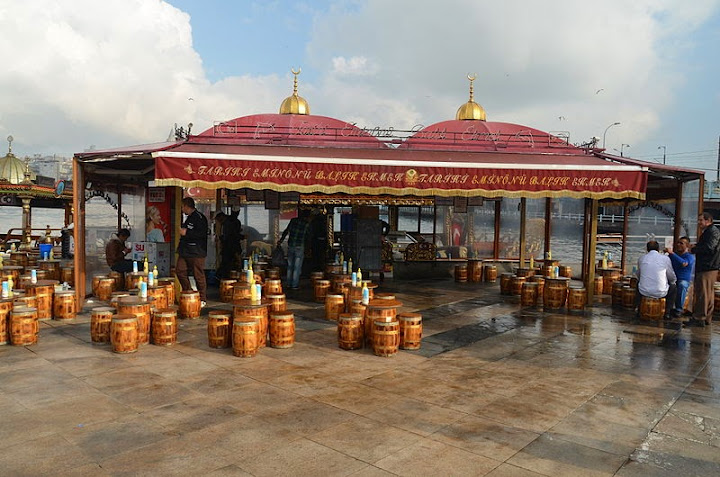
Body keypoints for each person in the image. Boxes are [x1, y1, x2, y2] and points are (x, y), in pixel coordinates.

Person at [688, 212, 720, 327]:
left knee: (703, 293)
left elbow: (709, 247)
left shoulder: (712, 232)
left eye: (701, 220)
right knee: (708, 293)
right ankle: (706, 317)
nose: (699, 223)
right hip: (710, 266)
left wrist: (694, 249)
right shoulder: (711, 232)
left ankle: (699, 317)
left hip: (707, 266)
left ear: (708, 221)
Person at [177, 197, 209, 307]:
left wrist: (187, 233)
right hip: (184, 251)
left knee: (198, 275)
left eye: (182, 206)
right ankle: (188, 292)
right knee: (180, 271)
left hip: (197, 251)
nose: (182, 209)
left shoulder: (200, 218)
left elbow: (201, 234)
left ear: (187, 206)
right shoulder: (188, 218)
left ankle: (202, 298)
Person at [636, 240, 676, 319]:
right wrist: (672, 281)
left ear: (647, 249)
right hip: (661, 292)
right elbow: (671, 276)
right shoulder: (665, 259)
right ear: (658, 249)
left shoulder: (642, 258)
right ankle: (667, 312)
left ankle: (638, 308)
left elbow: (639, 275)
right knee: (673, 288)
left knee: (638, 283)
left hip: (644, 291)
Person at [277, 211, 312, 289]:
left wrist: (281, 240)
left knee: (290, 265)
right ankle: (294, 285)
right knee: (297, 266)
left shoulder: (293, 221)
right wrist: (308, 249)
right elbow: (308, 237)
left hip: (291, 245)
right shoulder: (306, 224)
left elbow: (286, 231)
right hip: (299, 247)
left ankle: (289, 284)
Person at [665, 236, 695, 317]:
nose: (678, 245)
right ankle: (666, 308)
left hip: (683, 280)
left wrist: (672, 254)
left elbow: (684, 263)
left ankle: (679, 309)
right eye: (678, 243)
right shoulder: (673, 256)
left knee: (682, 285)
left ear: (687, 246)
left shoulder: (689, 257)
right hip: (673, 279)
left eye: (681, 243)